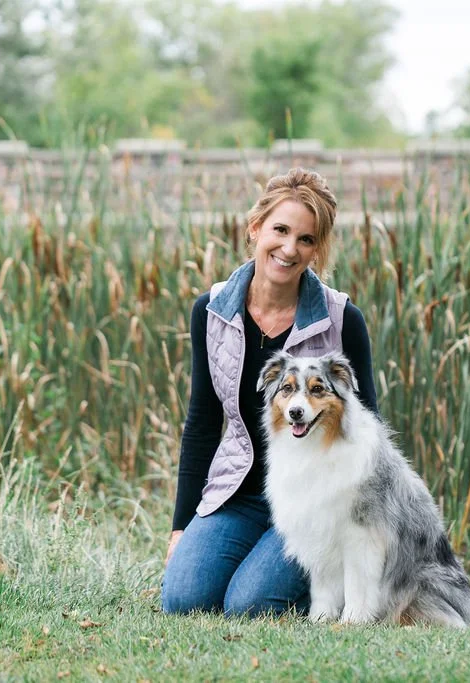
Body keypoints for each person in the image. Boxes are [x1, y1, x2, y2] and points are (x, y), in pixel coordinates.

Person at [161, 167, 379, 617]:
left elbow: (366, 431)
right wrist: (181, 528)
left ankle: (325, 590)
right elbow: (202, 423)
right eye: (280, 230)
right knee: (184, 598)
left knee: (248, 605)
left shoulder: (342, 320)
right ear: (255, 227)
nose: (289, 248)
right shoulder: (211, 311)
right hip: (239, 492)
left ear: (317, 249)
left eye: (306, 239)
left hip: (314, 502)